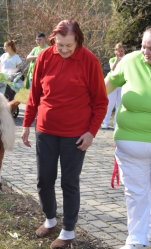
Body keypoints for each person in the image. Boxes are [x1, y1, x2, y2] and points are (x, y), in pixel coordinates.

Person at [20, 20, 108, 249]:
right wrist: (27, 124)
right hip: (46, 131)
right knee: (44, 179)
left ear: (78, 40)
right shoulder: (45, 57)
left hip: (75, 135)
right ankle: (50, 219)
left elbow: (100, 102)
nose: (65, 49)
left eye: (69, 45)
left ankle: (68, 231)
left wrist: (91, 133)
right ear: (53, 40)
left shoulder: (89, 60)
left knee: (69, 182)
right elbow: (34, 94)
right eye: (60, 44)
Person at [105, 25, 151, 249]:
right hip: (130, 143)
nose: (145, 52)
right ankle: (136, 239)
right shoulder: (131, 61)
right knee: (135, 193)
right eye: (143, 46)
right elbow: (105, 88)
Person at [101, 43, 125, 129]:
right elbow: (112, 69)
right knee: (109, 104)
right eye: (118, 51)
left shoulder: (127, 59)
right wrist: (117, 59)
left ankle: (116, 124)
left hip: (122, 84)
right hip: (112, 84)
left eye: (122, 51)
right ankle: (106, 123)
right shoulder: (112, 59)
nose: (120, 52)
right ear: (115, 51)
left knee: (119, 105)